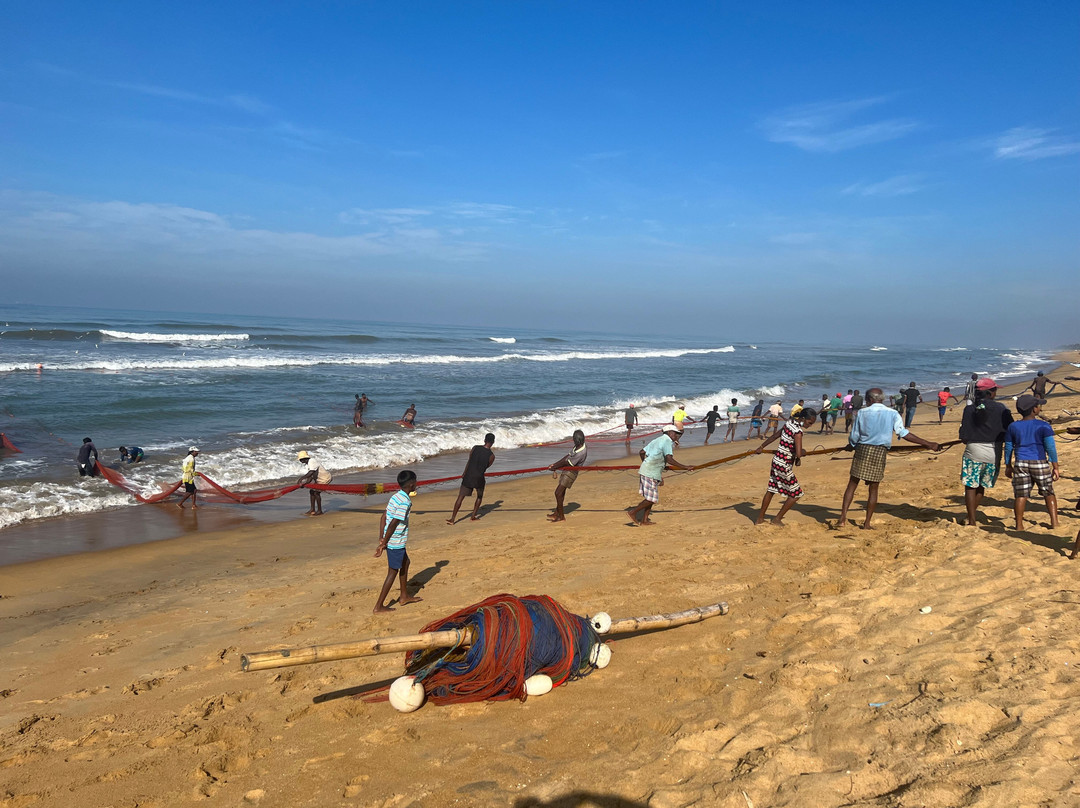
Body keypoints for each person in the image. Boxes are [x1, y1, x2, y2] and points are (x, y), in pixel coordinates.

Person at [838, 389, 940, 529]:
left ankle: (842, 518)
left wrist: (852, 445)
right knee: (873, 489)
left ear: (869, 400)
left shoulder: (862, 412)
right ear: (882, 399)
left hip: (862, 449)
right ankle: (867, 523)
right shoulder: (893, 413)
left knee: (852, 484)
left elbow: (855, 435)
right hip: (880, 451)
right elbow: (903, 433)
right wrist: (927, 443)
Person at [958, 378, 1012, 527]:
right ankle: (971, 516)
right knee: (982, 485)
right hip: (994, 451)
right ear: (989, 393)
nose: (996, 392)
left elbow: (963, 434)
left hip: (974, 450)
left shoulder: (969, 408)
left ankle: (972, 520)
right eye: (995, 390)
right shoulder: (1002, 408)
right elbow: (1010, 429)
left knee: (970, 486)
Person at [754, 407, 817, 525]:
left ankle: (760, 518)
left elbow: (774, 436)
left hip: (776, 461)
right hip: (784, 465)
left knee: (771, 489)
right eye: (809, 423)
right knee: (796, 494)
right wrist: (803, 452)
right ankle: (777, 519)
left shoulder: (789, 423)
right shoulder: (798, 432)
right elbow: (798, 453)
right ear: (803, 418)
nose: (810, 425)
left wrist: (761, 447)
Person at [1004, 394, 1058, 531]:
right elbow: (1050, 447)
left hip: (1021, 462)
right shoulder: (1043, 426)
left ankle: (1019, 525)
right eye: (1039, 406)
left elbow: (1009, 447)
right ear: (1034, 409)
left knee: (1021, 494)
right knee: (1048, 492)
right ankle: (1054, 521)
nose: (1040, 408)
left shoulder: (1013, 426)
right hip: (1039, 462)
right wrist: (1055, 466)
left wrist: (1008, 465)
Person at [373, 470, 423, 613]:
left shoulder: (396, 496)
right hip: (396, 541)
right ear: (412, 484)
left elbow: (383, 517)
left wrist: (381, 537)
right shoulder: (405, 502)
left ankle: (404, 596)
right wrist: (383, 543)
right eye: (416, 482)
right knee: (392, 572)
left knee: (405, 563)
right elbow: (394, 522)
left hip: (391, 539)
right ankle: (379, 606)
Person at [626, 425, 694, 526]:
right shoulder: (667, 441)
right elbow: (669, 459)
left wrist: (647, 463)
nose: (677, 436)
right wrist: (685, 467)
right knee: (651, 499)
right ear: (669, 432)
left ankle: (645, 520)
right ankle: (633, 512)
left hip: (650, 470)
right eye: (675, 433)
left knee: (651, 497)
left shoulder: (657, 440)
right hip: (650, 472)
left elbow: (642, 452)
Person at [447, 433, 495, 524]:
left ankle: (453, 519)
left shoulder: (475, 448)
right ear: (493, 442)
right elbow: (486, 466)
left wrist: (464, 473)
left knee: (460, 497)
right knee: (479, 496)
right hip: (479, 477)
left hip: (468, 475)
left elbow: (469, 461)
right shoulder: (492, 456)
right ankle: (473, 516)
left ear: (484, 440)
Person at [547, 430, 587, 522]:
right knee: (561, 493)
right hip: (567, 470)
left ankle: (561, 516)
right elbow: (567, 457)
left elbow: (567, 462)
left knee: (558, 493)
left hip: (571, 473)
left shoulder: (581, 452)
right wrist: (555, 465)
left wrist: (554, 467)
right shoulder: (578, 446)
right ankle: (557, 513)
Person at [296, 450, 333, 516]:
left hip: (325, 478)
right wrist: (305, 483)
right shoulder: (308, 464)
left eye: (300, 459)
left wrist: (301, 479)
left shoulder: (312, 461)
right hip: (319, 479)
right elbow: (311, 477)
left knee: (316, 492)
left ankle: (319, 511)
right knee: (311, 491)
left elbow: (311, 472)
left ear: (303, 459)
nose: (300, 461)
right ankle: (312, 510)